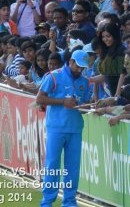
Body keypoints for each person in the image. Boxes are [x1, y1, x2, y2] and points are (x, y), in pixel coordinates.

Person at [36, 50, 91, 207]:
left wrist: (93, 106)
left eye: (83, 68)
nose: (80, 70)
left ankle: (69, 201)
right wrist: (62, 102)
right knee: (52, 164)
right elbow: (39, 98)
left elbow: (82, 104)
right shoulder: (54, 76)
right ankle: (47, 202)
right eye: (78, 66)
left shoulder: (85, 81)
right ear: (71, 62)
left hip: (75, 129)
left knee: (72, 167)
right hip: (56, 128)